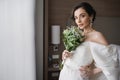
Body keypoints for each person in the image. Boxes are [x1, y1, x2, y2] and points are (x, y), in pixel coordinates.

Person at [59, 2, 120, 80]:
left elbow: (110, 61)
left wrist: (92, 72)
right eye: (76, 17)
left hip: (79, 76)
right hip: (66, 73)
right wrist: (67, 54)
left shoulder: (97, 35)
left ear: (90, 16)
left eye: (82, 16)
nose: (78, 21)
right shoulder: (77, 34)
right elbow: (77, 54)